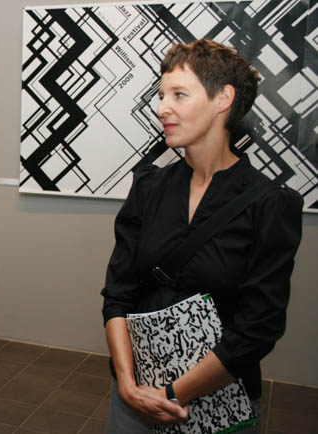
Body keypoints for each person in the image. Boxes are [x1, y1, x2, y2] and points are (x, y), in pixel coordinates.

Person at [101, 39, 303, 433]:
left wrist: (172, 394)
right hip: (134, 397)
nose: (162, 108)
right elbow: (117, 295)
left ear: (222, 99)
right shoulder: (148, 187)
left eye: (178, 94)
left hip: (217, 400)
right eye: (162, 95)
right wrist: (127, 385)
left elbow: (257, 328)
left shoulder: (269, 204)